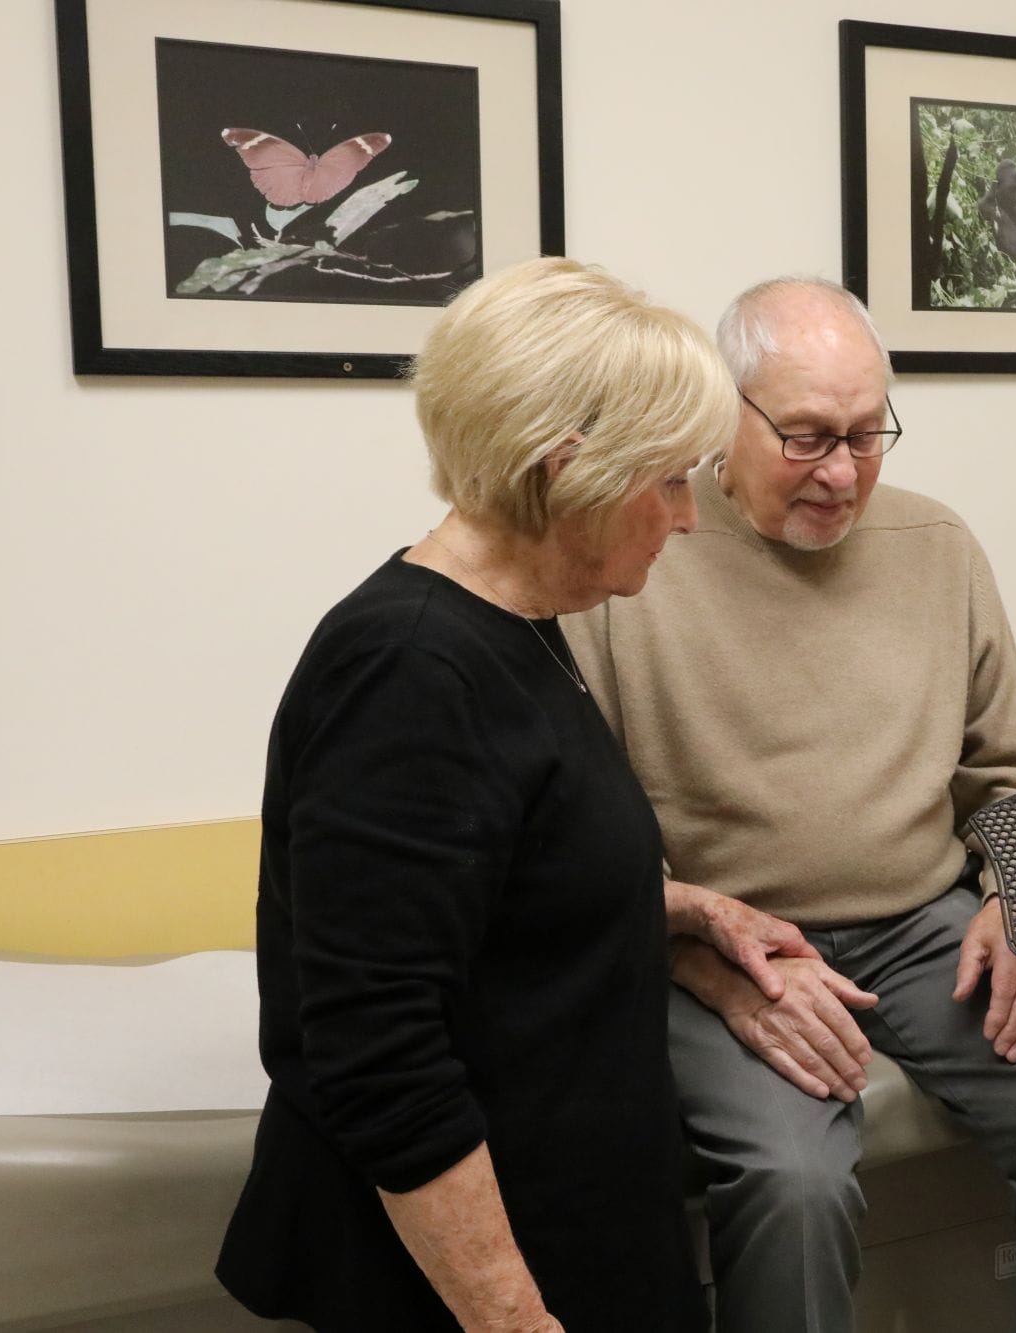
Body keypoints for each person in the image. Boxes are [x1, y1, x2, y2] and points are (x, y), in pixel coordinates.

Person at [561, 277, 1016, 1333]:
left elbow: (1007, 770)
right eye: (806, 436)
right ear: (725, 414)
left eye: (867, 433)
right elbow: (580, 841)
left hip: (922, 927)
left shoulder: (937, 544)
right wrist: (699, 956)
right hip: (725, 948)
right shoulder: (640, 552)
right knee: (793, 1184)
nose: (841, 473)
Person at [215, 256, 745, 1331]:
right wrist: (512, 1317)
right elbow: (378, 1053)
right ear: (567, 469)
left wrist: (680, 910)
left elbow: (500, 894)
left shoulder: (521, 627)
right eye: (668, 480)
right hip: (470, 1288)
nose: (687, 518)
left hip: (580, 1226)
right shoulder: (408, 669)